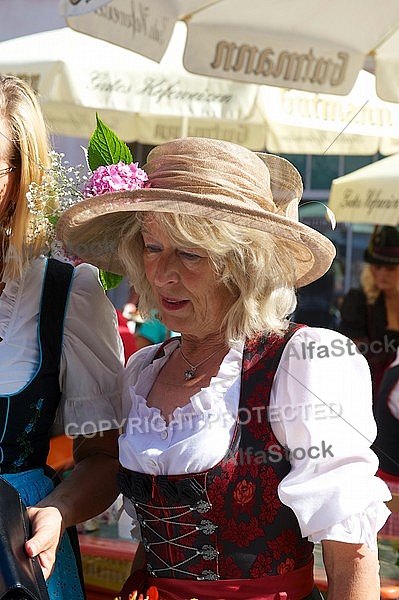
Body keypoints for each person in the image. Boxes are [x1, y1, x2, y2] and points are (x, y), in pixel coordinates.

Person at [57, 136, 391, 600]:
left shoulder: (301, 365)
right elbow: (157, 537)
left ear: (243, 266)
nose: (162, 273)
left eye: (190, 254)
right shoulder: (143, 371)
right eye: (153, 248)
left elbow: (350, 553)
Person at [0, 74, 124, 599]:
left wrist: (58, 510)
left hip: (12, 555)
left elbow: (104, 456)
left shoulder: (65, 293)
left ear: (19, 175)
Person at [339, 225, 399, 400]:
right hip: (368, 389)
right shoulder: (359, 301)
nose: (382, 274)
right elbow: (349, 354)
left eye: (390, 269)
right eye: (376, 267)